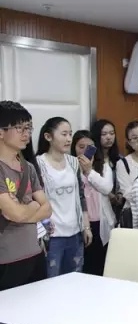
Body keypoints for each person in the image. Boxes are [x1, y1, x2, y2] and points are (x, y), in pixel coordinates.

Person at [0, 101, 52, 291]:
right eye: (20, 128)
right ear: (1, 132)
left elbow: (47, 209)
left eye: (29, 128)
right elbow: (15, 213)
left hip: (34, 253)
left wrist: (23, 210)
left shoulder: (28, 167)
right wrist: (32, 206)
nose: (26, 134)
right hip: (6, 258)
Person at [36, 117, 91, 277]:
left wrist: (86, 226)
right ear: (48, 137)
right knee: (51, 280)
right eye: (64, 134)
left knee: (75, 279)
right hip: (52, 235)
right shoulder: (38, 164)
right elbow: (35, 201)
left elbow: (80, 196)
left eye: (70, 134)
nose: (68, 139)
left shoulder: (73, 162)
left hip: (75, 232)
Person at [71, 130, 117, 276]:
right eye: (81, 146)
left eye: (89, 147)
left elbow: (107, 188)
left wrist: (89, 171)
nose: (85, 150)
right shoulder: (70, 167)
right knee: (84, 265)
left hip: (101, 221)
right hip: (81, 223)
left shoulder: (103, 165)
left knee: (101, 265)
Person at [115, 121, 138, 204]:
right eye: (135, 138)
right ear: (129, 142)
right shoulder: (123, 163)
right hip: (134, 208)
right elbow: (127, 192)